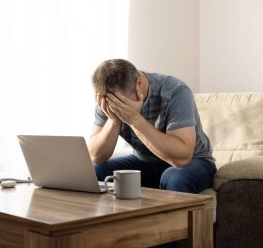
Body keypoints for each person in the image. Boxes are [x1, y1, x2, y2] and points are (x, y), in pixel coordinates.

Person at [88, 59, 216, 193]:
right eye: (112, 103)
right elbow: (96, 156)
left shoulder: (175, 91)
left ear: (139, 83)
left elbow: (182, 158)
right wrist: (113, 120)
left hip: (195, 161)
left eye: (121, 102)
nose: (116, 107)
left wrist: (135, 120)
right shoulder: (106, 98)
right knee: (95, 171)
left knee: (175, 178)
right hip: (145, 161)